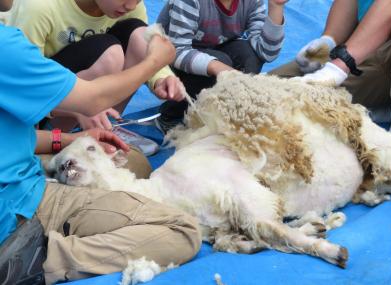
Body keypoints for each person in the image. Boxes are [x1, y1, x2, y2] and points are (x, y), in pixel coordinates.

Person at [0, 1, 201, 284]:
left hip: (24, 164)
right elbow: (91, 98)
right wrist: (155, 61)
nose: (130, 4)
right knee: (181, 230)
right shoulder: (9, 42)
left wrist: (69, 139)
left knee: (134, 162)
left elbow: (9, 133)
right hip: (16, 204)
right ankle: (37, 259)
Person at [8, 0, 186, 131]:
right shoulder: (40, 7)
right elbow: (21, 82)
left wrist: (161, 77)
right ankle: (56, 135)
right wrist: (78, 111)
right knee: (110, 54)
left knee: (138, 31)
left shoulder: (129, 6)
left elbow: (143, 43)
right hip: (42, 107)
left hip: (90, 101)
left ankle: (107, 127)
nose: (131, 5)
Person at [155, 0, 287, 133]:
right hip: (173, 61)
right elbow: (176, 52)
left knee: (249, 55)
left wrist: (276, 6)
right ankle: (171, 115)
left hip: (216, 48)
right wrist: (219, 68)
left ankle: (229, 110)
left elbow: (266, 52)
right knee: (220, 63)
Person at [270, 0, 391, 131]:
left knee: (301, 102)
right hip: (365, 43)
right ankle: (379, 107)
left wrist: (340, 65)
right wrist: (329, 41)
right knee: (270, 90)